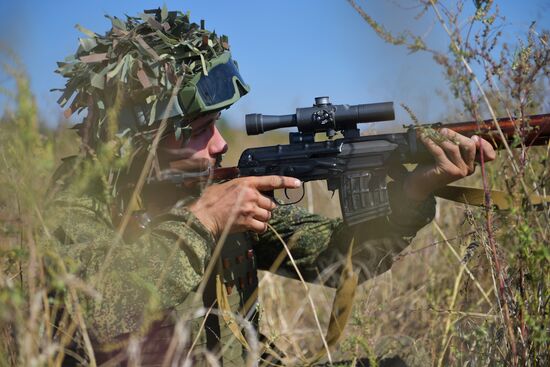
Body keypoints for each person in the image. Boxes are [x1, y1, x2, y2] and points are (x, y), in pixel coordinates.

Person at [49, 9, 496, 366]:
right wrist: (203, 221)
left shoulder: (200, 188)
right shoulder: (78, 201)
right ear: (140, 138)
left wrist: (413, 193)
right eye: (201, 128)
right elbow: (98, 314)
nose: (221, 142)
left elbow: (341, 263)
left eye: (217, 124)